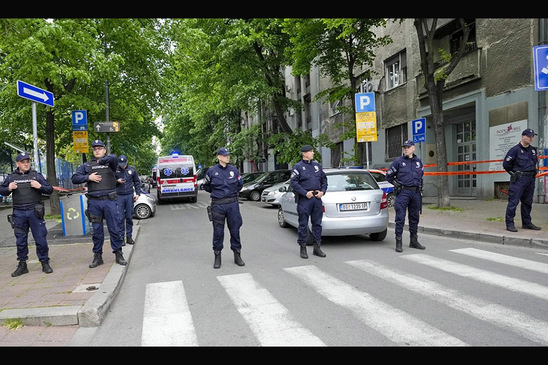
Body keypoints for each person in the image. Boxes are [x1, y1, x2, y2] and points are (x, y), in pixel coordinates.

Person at [71, 140, 127, 268]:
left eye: (100, 148)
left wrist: (103, 160)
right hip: (94, 202)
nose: (97, 150)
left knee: (114, 228)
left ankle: (118, 253)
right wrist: (88, 178)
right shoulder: (86, 166)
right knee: (97, 231)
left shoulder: (110, 163)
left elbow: (114, 158)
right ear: (92, 151)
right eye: (95, 149)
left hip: (109, 201)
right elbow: (74, 178)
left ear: (104, 150)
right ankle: (98, 256)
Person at [0, 152, 54, 276]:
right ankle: (22, 264)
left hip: (35, 212)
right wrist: (8, 188)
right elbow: (1, 190)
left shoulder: (36, 176)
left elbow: (49, 189)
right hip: (19, 213)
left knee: (40, 239)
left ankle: (45, 262)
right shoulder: (11, 177)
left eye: (27, 161)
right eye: (23, 162)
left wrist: (40, 186)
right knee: (20, 241)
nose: (26, 164)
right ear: (18, 164)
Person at [202, 147, 245, 269]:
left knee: (235, 231)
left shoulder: (234, 170)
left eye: (228, 155)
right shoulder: (211, 171)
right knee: (218, 232)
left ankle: (237, 256)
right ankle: (217, 257)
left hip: (232, 204)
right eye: (225, 155)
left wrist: (231, 194)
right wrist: (218, 194)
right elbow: (206, 186)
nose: (227, 157)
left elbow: (240, 185)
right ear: (219, 157)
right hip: (218, 205)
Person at [386, 140, 425, 253]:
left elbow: (421, 175)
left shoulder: (418, 162)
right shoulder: (398, 161)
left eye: (408, 147)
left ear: (413, 148)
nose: (406, 149)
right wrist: (395, 184)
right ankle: (399, 241)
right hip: (403, 192)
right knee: (400, 217)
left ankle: (413, 241)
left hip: (415, 193)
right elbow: (388, 176)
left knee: (414, 217)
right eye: (404, 147)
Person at [290, 144, 327, 259]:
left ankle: (317, 247)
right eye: (311, 151)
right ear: (304, 153)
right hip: (305, 199)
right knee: (303, 224)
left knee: (317, 224)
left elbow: (324, 180)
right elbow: (294, 183)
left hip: (316, 199)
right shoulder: (298, 167)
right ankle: (303, 247)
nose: (313, 153)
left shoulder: (317, 166)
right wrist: (305, 193)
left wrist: (323, 191)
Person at [503, 128, 541, 232]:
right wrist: (514, 174)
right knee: (513, 202)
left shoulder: (533, 150)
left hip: (530, 179)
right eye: (529, 136)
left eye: (532, 136)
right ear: (523, 136)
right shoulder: (515, 150)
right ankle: (510, 223)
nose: (531, 138)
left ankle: (526, 222)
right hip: (519, 180)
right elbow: (506, 165)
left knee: (527, 202)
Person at [115, 154, 141, 245]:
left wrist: (137, 194)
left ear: (127, 162)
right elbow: (110, 182)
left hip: (129, 195)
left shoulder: (132, 170)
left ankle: (129, 237)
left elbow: (137, 182)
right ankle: (121, 238)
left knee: (129, 217)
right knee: (120, 218)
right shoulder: (115, 170)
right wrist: (117, 181)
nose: (122, 165)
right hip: (119, 196)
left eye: (123, 163)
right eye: (120, 163)